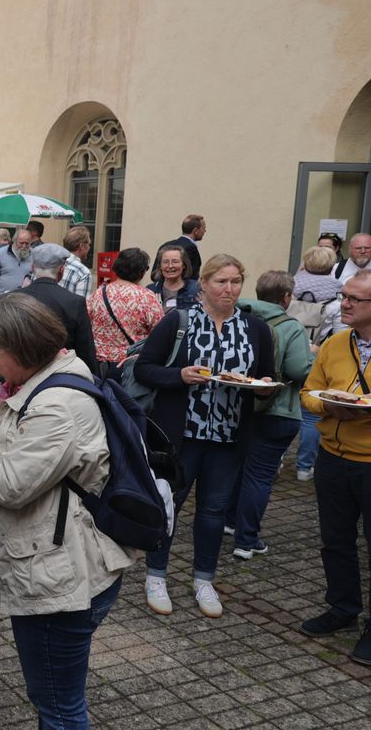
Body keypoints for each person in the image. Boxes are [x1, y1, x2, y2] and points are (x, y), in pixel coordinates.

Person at [0, 294, 132, 728]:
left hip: (62, 579)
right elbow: (26, 428)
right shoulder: (54, 376)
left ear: (22, 348)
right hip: (62, 562)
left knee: (57, 703)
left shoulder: (57, 404)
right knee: (56, 698)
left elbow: (11, 484)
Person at [135, 254, 275, 619]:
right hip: (181, 436)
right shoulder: (178, 321)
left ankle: (203, 580)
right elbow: (147, 368)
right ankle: (156, 575)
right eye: (221, 282)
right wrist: (179, 376)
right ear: (204, 284)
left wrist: (262, 389)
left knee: (213, 512)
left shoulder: (255, 329)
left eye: (235, 282)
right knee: (170, 505)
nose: (229, 289)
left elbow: (265, 377)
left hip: (228, 437)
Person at [298, 270, 371, 665]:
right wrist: (327, 404)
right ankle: (343, 608)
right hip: (333, 457)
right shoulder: (336, 343)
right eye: (344, 296)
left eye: (354, 300)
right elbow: (309, 391)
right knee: (336, 540)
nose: (343, 303)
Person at [224, 271, 313, 559]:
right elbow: (300, 370)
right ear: (286, 297)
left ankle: (229, 520)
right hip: (278, 409)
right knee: (260, 476)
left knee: (239, 467)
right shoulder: (291, 327)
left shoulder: (240, 316)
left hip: (241, 405)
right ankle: (246, 540)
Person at [292, 245, 342, 482]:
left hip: (291, 353)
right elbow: (342, 332)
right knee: (311, 416)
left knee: (284, 408)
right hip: (319, 355)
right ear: (332, 266)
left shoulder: (292, 287)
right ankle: (304, 467)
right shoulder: (337, 295)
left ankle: (277, 460)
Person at [87, 247, 165, 380]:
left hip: (97, 365)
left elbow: (86, 323)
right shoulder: (146, 297)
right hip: (128, 366)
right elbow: (160, 333)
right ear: (141, 272)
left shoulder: (98, 294)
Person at [25, 244, 99, 373]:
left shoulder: (11, 297)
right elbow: (85, 350)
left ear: (32, 267)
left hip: (20, 373)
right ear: (61, 270)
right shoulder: (74, 302)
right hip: (60, 374)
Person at [147, 243, 200, 313]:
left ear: (184, 265)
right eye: (165, 262)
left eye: (175, 262)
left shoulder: (195, 288)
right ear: (160, 266)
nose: (170, 266)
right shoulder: (151, 290)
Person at [0, 228, 34, 302]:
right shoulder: (0, 253)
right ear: (14, 241)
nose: (24, 246)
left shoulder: (34, 255)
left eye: (27, 244)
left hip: (25, 303)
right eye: (21, 243)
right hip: (2, 301)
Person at [60, 225, 93, 298]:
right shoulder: (83, 273)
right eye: (89, 244)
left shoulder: (51, 262)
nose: (89, 247)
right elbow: (81, 305)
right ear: (81, 246)